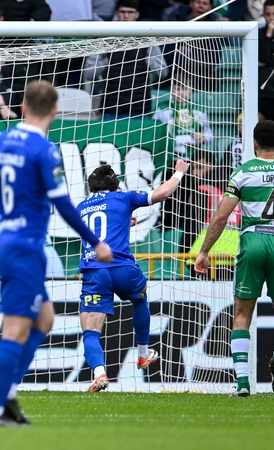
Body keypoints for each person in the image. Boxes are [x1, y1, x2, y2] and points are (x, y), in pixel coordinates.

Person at [0, 80, 112, 426]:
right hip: (23, 246)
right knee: (15, 328)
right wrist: (95, 241)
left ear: (22, 106)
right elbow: (62, 203)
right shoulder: (44, 149)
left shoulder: (0, 142)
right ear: (54, 111)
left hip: (4, 242)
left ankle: (6, 396)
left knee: (45, 319)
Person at [195, 120, 274, 397]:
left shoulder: (243, 172)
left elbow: (221, 217)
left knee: (242, 315)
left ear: (254, 143)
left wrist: (204, 251)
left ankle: (243, 383)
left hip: (251, 240)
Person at [76, 160, 189, 392]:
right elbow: (163, 193)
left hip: (94, 271)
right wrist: (178, 172)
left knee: (90, 331)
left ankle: (99, 374)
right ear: (116, 187)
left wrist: (124, 222)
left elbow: (100, 227)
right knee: (140, 297)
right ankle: (143, 353)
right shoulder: (124, 197)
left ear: (91, 188)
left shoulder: (81, 207)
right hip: (123, 268)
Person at [82, 0, 168, 119]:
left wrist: (148, 59)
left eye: (130, 12)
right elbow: (88, 73)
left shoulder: (147, 40)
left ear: (137, 14)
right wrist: (104, 63)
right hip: (110, 108)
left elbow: (162, 72)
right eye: (122, 12)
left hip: (140, 109)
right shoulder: (105, 39)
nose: (126, 16)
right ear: (116, 13)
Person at [152, 78, 212, 157]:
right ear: (171, 88)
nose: (181, 93)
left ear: (191, 88)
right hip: (169, 156)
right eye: (177, 89)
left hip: (194, 157)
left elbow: (209, 134)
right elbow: (153, 133)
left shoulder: (200, 109)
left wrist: (203, 137)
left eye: (185, 89)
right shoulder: (162, 108)